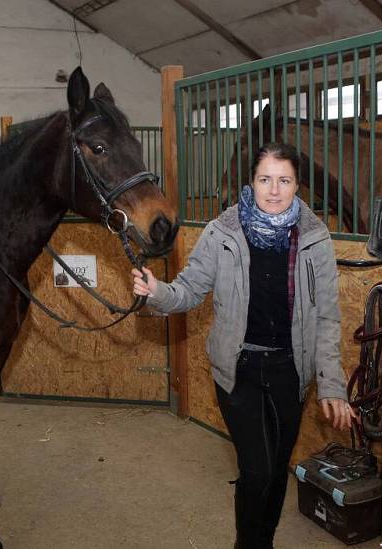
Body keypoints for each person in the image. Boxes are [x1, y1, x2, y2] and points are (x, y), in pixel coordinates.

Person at [132, 143, 356, 549]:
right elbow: (189, 288)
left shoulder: (314, 237)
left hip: (291, 371)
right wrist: (157, 292)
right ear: (250, 183)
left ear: (297, 185)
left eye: (284, 180)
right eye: (265, 179)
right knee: (257, 470)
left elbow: (327, 316)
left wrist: (332, 385)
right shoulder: (223, 231)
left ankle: (262, 542)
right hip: (239, 371)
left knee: (275, 472)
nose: (274, 190)